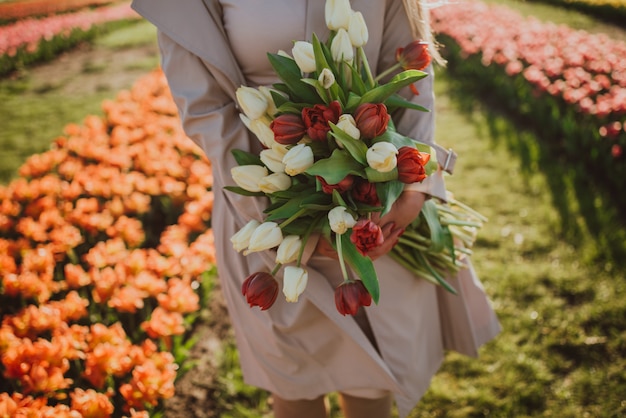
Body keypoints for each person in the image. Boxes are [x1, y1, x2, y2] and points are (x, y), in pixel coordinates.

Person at [131, 1, 501, 417]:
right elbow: (205, 110)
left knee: (372, 382)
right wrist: (286, 219)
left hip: (375, 200)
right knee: (296, 386)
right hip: (266, 210)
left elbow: (407, 69)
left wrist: (412, 186)